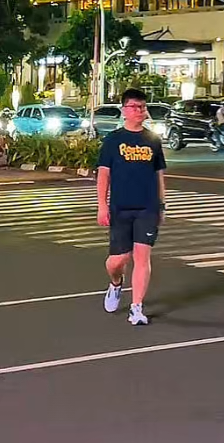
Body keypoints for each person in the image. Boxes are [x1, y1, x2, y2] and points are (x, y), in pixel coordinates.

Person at [97, 87, 166, 326]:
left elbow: (159, 175)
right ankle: (116, 283)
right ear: (124, 110)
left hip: (147, 207)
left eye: (142, 107)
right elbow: (104, 175)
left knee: (142, 256)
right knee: (118, 259)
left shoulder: (153, 140)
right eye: (134, 107)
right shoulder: (113, 140)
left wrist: (162, 206)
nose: (139, 111)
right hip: (120, 207)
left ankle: (137, 307)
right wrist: (102, 206)